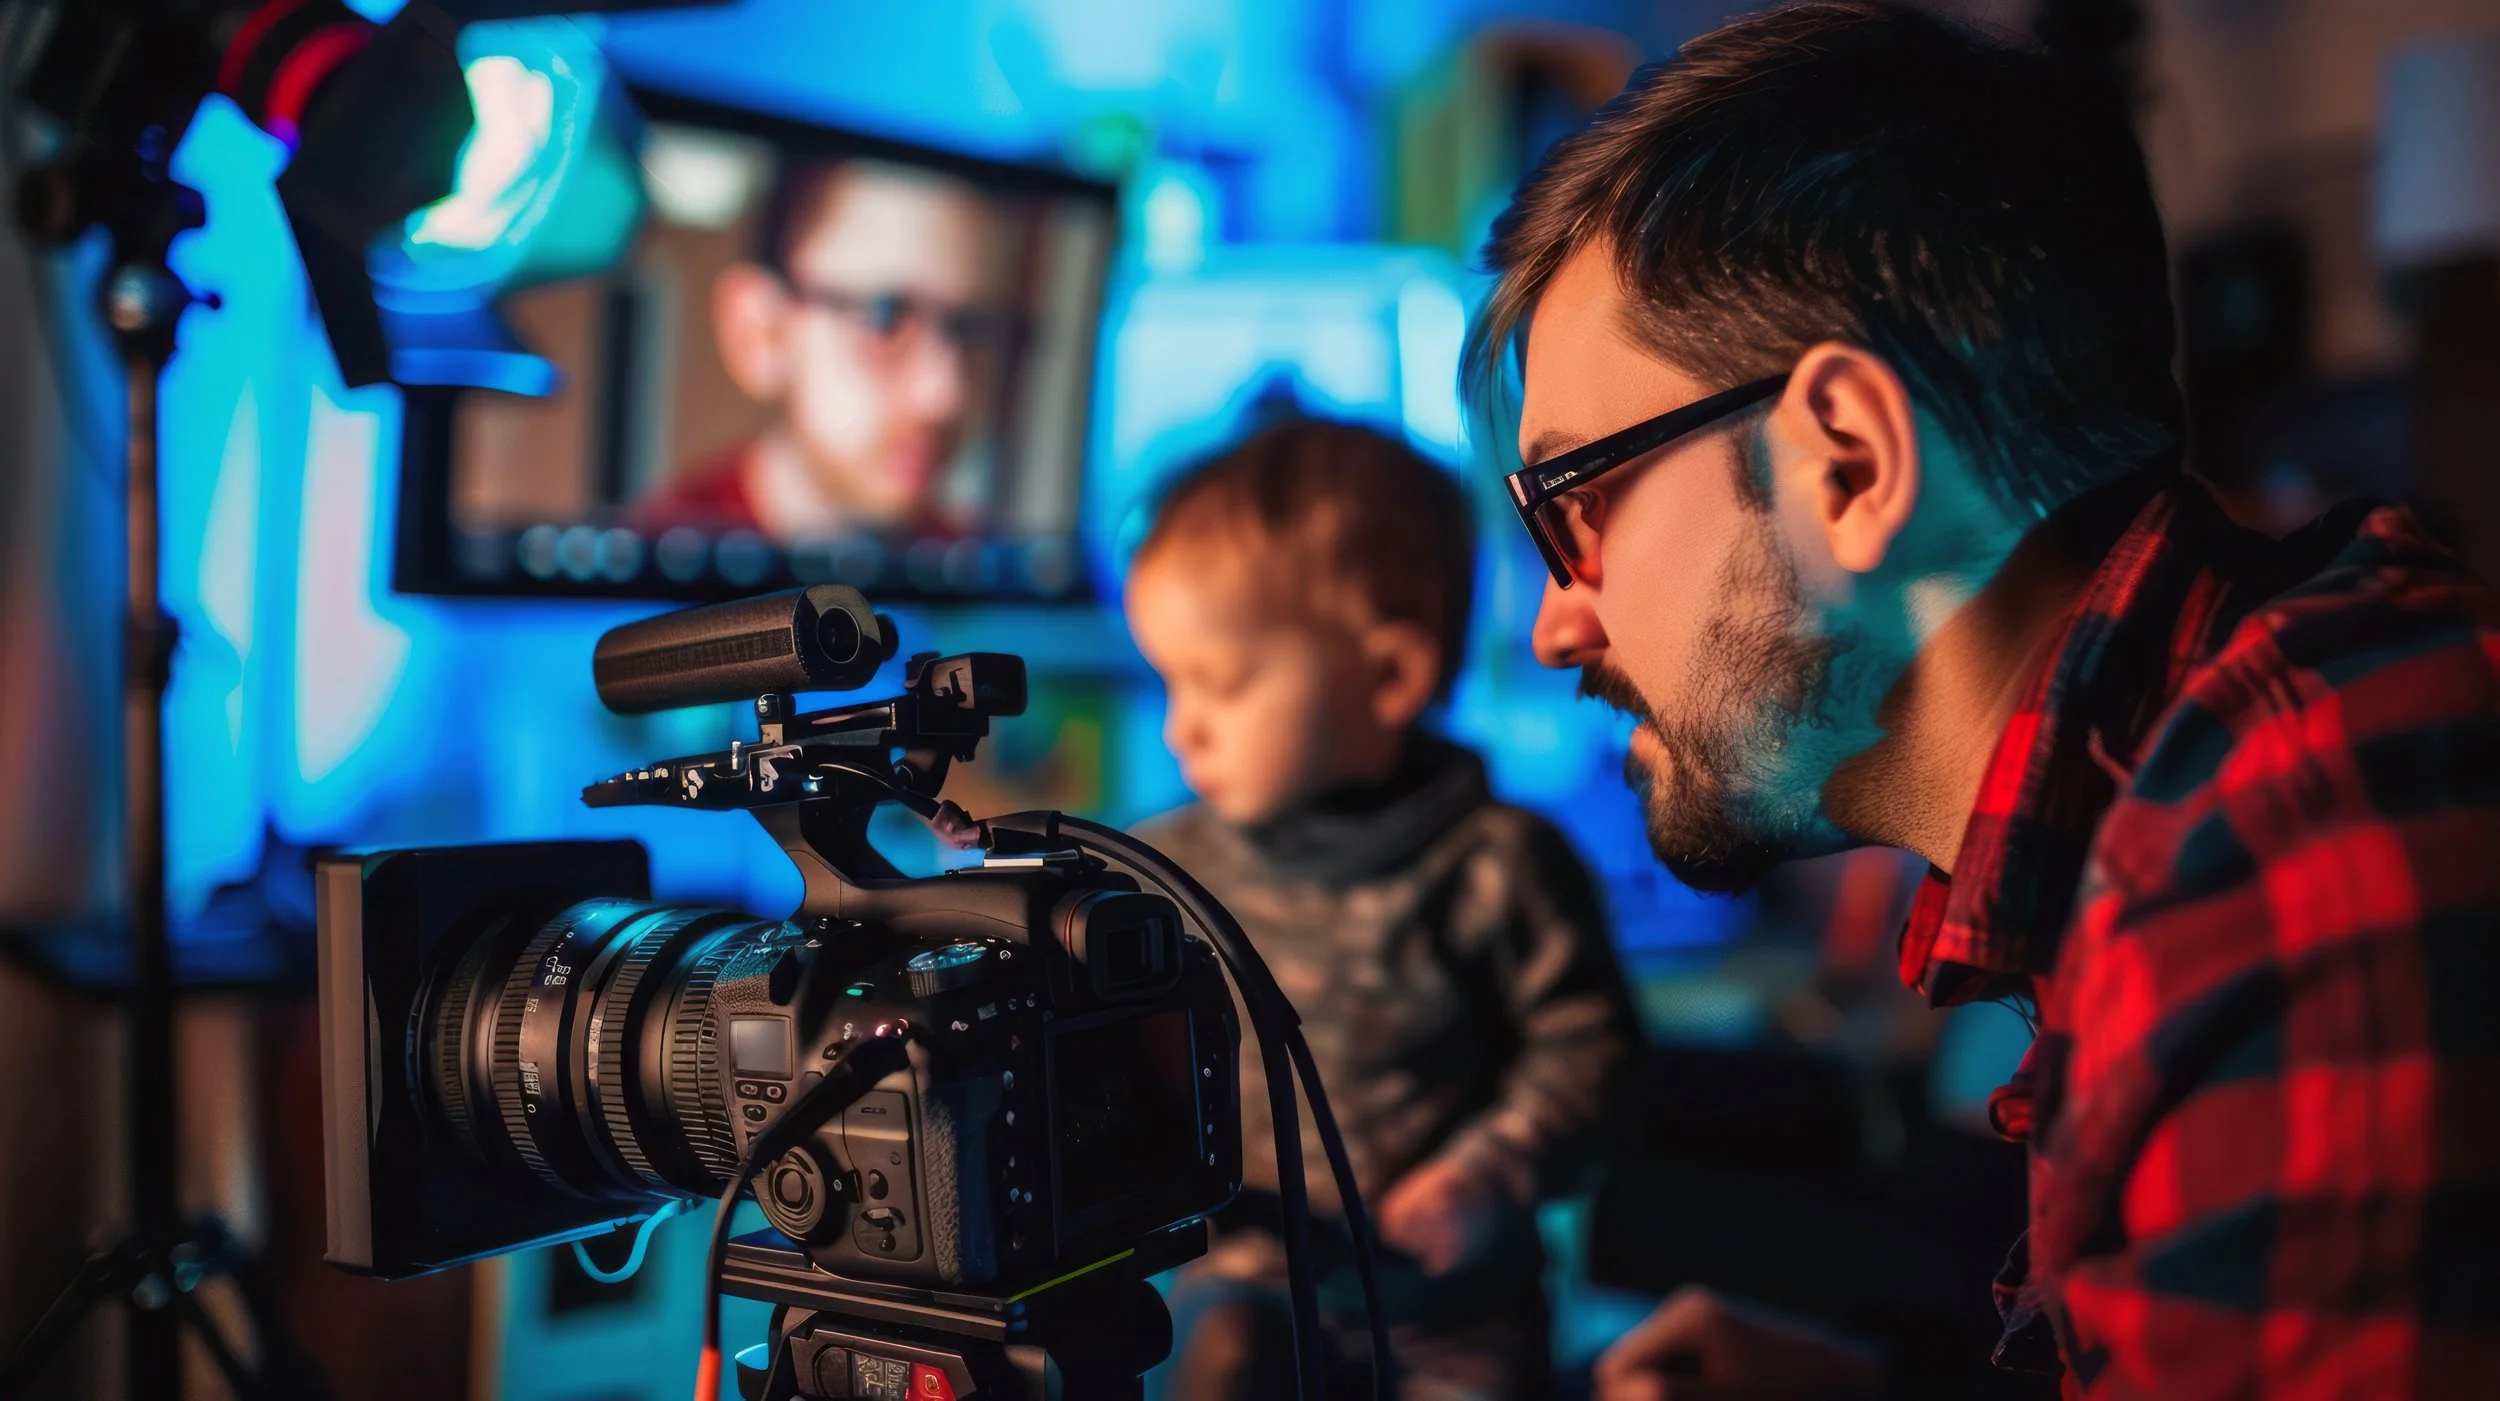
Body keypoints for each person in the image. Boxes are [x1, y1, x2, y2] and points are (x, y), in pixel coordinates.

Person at [1463, 3, 2500, 1397]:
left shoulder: (2298, 846)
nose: (1555, 622)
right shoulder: (2196, 793)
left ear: (1848, 460)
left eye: (1576, 502)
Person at [1124, 419, 1641, 1400]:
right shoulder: (1157, 872)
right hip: (1238, 1292)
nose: (1178, 725)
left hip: (1450, 1316)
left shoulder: (1498, 866)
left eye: (1220, 684)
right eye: (1168, 680)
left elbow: (1595, 1061)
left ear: (1391, 676)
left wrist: (1491, 1170)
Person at [638, 157, 1003, 541]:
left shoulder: (976, 569)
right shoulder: (644, 578)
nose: (945, 395)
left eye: (971, 330)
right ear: (762, 331)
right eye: (887, 318)